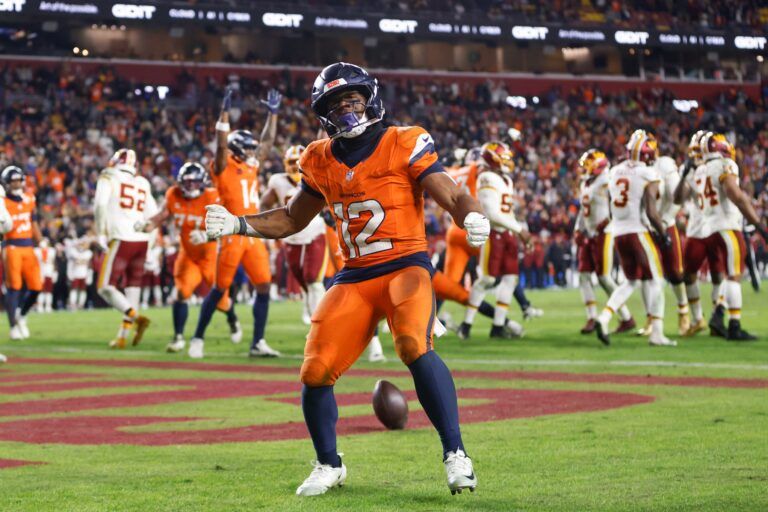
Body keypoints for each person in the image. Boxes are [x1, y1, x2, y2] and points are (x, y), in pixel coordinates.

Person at [204, 62, 489, 496]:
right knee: (315, 370)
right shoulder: (318, 156)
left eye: (353, 99)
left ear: (370, 98)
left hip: (405, 266)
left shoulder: (403, 140)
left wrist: (471, 214)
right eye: (337, 104)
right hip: (354, 276)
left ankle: (456, 454)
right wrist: (238, 224)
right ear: (324, 113)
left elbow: (449, 192)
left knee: (413, 344)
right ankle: (328, 464)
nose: (347, 109)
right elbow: (292, 218)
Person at [188, 87, 281, 360]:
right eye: (248, 149)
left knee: (264, 286)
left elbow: (267, 143)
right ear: (237, 149)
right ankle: (197, 338)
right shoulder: (223, 164)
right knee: (220, 289)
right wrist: (224, 114)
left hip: (252, 232)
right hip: (231, 233)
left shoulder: (251, 164)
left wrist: (272, 115)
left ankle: (258, 342)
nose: (254, 152)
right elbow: (220, 145)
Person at [137, 162, 242, 352]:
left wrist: (206, 235)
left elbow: (228, 228)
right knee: (181, 293)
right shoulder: (173, 194)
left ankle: (232, 318)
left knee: (221, 300)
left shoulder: (212, 196)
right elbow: (161, 215)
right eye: (187, 182)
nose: (191, 186)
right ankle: (178, 337)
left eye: (195, 182)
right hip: (188, 255)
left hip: (210, 254)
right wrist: (146, 225)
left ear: (202, 182)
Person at [595, 130, 676, 347]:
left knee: (631, 281)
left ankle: (603, 318)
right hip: (638, 232)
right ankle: (657, 333)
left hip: (618, 233)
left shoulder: (615, 170)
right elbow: (651, 211)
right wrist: (662, 233)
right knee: (657, 280)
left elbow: (612, 205)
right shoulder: (648, 173)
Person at [686, 132, 768, 340]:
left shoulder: (700, 171)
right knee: (734, 275)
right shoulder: (724, 164)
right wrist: (758, 225)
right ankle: (733, 324)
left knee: (729, 274)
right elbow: (735, 195)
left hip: (710, 228)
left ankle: (720, 311)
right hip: (727, 225)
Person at [458, 142, 529, 339]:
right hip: (493, 234)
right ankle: (466, 324)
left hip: (508, 234)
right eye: (503, 157)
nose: (507, 161)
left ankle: (498, 326)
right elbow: (492, 213)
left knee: (510, 279)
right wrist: (520, 229)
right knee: (487, 280)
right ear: (492, 158)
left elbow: (508, 212)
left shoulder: (506, 179)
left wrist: (519, 232)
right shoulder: (486, 177)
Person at [94, 149, 156, 349]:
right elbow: (153, 216)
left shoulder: (109, 176)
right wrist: (152, 246)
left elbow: (100, 205)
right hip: (142, 241)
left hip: (121, 237)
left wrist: (101, 233)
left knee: (105, 287)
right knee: (133, 289)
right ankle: (122, 337)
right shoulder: (142, 183)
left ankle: (135, 317)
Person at [259, 145, 329, 326]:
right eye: (291, 162)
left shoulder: (316, 176)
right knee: (303, 281)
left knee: (313, 278)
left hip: (314, 234)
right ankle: (310, 306)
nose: (295, 166)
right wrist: (273, 221)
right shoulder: (277, 181)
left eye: (298, 162)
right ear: (284, 164)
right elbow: (264, 204)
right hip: (291, 238)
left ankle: (320, 320)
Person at [573, 149, 635, 335]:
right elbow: (583, 210)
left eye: (588, 166)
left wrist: (609, 220)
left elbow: (620, 202)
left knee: (604, 278)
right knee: (583, 275)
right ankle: (591, 317)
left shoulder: (608, 179)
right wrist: (577, 228)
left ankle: (626, 317)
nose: (584, 170)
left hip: (604, 233)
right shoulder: (587, 182)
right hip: (589, 234)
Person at [673, 131, 725, 336]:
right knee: (689, 274)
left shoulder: (716, 167)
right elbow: (679, 199)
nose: (696, 155)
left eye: (699, 151)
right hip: (697, 227)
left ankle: (716, 318)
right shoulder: (696, 171)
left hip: (713, 225)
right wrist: (685, 174)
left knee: (718, 275)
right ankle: (698, 319)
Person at [2, 166, 43, 340]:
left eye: (18, 180)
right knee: (14, 288)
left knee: (36, 287)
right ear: (6, 183)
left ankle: (22, 315)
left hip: (28, 246)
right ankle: (13, 327)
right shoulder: (3, 202)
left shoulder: (29, 199)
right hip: (11, 246)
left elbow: (33, 224)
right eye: (13, 181)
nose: (16, 184)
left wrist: (42, 242)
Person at [65, 237, 93, 310]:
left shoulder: (88, 253)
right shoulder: (73, 252)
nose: (81, 246)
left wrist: (89, 275)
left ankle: (81, 304)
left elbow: (89, 266)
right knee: (74, 290)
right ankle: (73, 304)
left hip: (84, 274)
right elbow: (70, 264)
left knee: (82, 290)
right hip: (75, 274)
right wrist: (70, 274)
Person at [35, 237, 57, 313]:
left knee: (49, 291)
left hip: (49, 272)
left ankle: (48, 306)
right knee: (40, 291)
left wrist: (54, 272)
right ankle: (40, 306)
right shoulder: (37, 251)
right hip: (40, 272)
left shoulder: (52, 251)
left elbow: (53, 262)